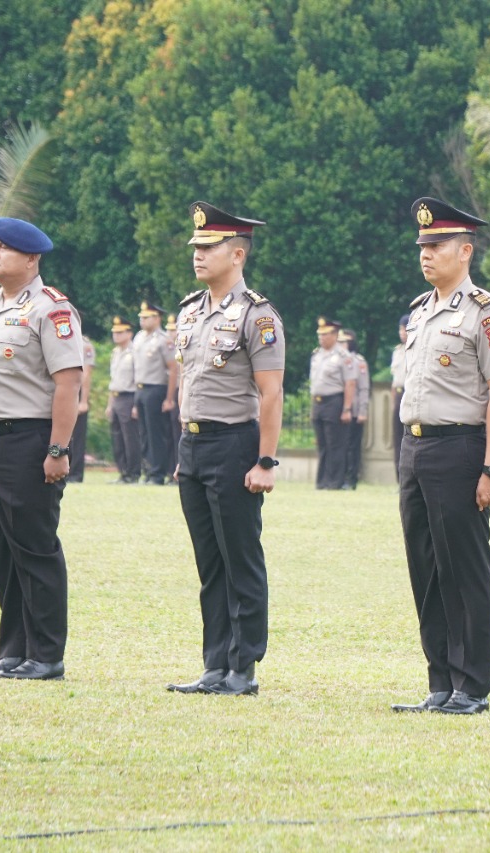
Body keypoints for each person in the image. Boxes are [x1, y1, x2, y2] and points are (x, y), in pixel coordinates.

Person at [391, 197, 490, 717]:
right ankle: (440, 679)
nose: (427, 253)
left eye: (437, 245)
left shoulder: (486, 312)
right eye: (422, 245)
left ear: (465, 251)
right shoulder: (420, 312)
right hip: (415, 447)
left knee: (464, 569)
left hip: (459, 447)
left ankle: (472, 685)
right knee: (426, 568)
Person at [165, 201, 284, 697]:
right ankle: (214, 664)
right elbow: (186, 382)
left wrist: (265, 460)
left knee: (240, 560)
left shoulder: (257, 315)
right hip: (194, 446)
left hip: (236, 444)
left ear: (237, 254)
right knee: (208, 563)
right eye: (195, 246)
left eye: (208, 247)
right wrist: (182, 451)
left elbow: (272, 392)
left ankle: (243, 666)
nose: (198, 254)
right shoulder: (190, 311)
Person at [0, 217, 83, 681]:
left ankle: (47, 655)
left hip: (29, 442)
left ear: (30, 258)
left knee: (34, 549)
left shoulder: (50, 310)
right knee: (1, 550)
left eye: (4, 248)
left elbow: (68, 384)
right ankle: (14, 651)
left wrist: (58, 448)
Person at [132, 301, 177, 485]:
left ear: (157, 318)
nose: (142, 320)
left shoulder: (164, 340)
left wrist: (169, 398)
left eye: (146, 317)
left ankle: (158, 473)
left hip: (156, 389)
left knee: (155, 433)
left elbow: (173, 369)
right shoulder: (139, 337)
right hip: (140, 389)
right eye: (141, 317)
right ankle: (148, 470)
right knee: (143, 434)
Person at [309, 317, 356, 489]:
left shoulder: (343, 356)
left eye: (326, 335)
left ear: (335, 335)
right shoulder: (316, 354)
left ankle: (335, 482)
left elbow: (350, 383)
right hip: (318, 403)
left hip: (334, 401)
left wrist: (347, 409)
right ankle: (322, 481)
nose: (321, 338)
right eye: (320, 335)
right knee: (322, 444)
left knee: (335, 444)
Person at [105, 316, 142, 484]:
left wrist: (136, 405)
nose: (116, 336)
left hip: (129, 397)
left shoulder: (135, 352)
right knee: (117, 437)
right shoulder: (115, 352)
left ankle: (133, 473)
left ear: (129, 333)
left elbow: (138, 379)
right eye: (115, 332)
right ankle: (123, 472)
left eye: (120, 332)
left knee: (130, 438)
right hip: (116, 397)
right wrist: (109, 405)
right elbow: (113, 381)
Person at [339, 328, 370, 489]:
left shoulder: (359, 361)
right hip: (339, 411)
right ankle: (339, 477)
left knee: (352, 447)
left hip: (355, 410)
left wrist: (363, 411)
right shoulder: (337, 360)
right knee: (340, 446)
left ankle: (351, 479)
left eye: (345, 341)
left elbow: (364, 388)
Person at [67, 335, 95, 483]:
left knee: (77, 436)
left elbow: (86, 373)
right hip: (63, 390)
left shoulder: (84, 344)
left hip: (77, 391)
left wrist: (83, 400)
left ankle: (75, 473)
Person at [390, 314, 410, 480]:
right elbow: (394, 380)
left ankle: (407, 477)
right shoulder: (397, 351)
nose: (402, 333)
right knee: (397, 439)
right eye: (400, 329)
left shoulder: (415, 349)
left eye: (405, 329)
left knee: (408, 438)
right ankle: (399, 478)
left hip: (409, 394)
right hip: (398, 394)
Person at [166, 313, 182, 483]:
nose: (171, 333)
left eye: (174, 330)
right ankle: (171, 470)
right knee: (171, 436)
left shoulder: (183, 345)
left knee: (179, 436)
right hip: (176, 392)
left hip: (182, 392)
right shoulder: (171, 348)